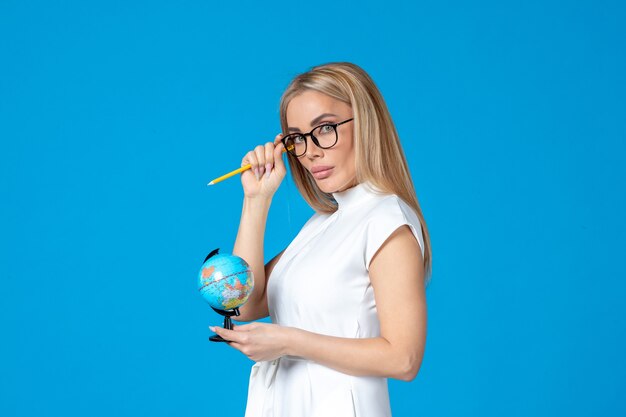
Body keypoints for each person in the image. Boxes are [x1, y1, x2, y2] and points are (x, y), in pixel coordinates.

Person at [210, 62, 432, 417]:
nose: (310, 151)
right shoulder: (323, 223)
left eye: (325, 128)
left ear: (366, 123)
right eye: (297, 137)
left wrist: (287, 341)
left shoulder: (386, 220)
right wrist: (256, 199)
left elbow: (403, 358)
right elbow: (247, 303)